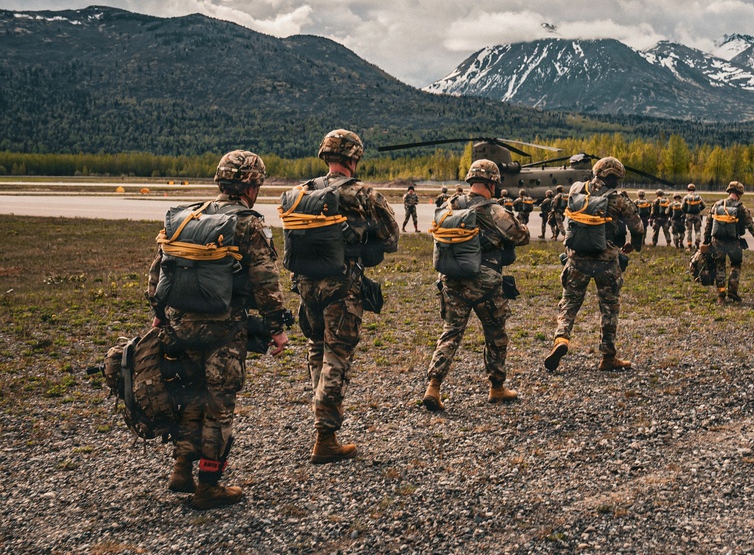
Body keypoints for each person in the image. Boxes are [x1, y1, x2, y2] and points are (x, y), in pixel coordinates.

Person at [147, 150, 289, 510]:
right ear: (252, 185)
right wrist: (277, 328)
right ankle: (209, 485)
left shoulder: (186, 216)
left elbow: (160, 269)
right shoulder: (248, 223)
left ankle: (181, 468)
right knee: (219, 406)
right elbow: (265, 281)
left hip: (180, 324)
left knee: (190, 395)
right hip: (223, 329)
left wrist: (160, 313)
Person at [290, 130, 399, 463]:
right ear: (354, 158)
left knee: (317, 349)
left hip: (306, 285)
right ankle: (325, 436)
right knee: (337, 354)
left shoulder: (302, 191)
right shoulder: (363, 193)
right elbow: (392, 237)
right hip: (342, 285)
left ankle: (323, 421)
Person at [423, 160, 530, 411]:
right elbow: (521, 236)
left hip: (451, 279)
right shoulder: (495, 211)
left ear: (471, 181)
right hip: (485, 283)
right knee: (495, 335)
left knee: (450, 333)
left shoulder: (450, 205)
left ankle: (434, 386)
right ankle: (496, 388)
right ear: (492, 183)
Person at [544, 157, 643, 372]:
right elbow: (637, 227)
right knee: (609, 307)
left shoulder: (576, 190)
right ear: (615, 178)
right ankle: (608, 356)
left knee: (569, 302)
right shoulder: (618, 200)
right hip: (606, 262)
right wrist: (633, 245)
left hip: (576, 259)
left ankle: (561, 338)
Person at [700, 181, 754, 304]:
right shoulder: (741, 208)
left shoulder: (716, 205)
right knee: (735, 265)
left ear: (729, 191)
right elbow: (750, 225)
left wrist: (706, 240)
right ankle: (733, 292)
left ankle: (721, 296)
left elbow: (709, 224)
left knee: (720, 267)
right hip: (734, 243)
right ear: (739, 193)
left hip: (717, 242)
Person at [681, 183, 706, 250]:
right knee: (698, 230)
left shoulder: (686, 197)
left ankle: (689, 246)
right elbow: (704, 205)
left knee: (689, 231)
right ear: (694, 189)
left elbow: (682, 207)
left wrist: (686, 212)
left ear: (688, 189)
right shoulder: (698, 197)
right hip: (697, 215)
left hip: (689, 215)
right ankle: (697, 241)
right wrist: (699, 210)